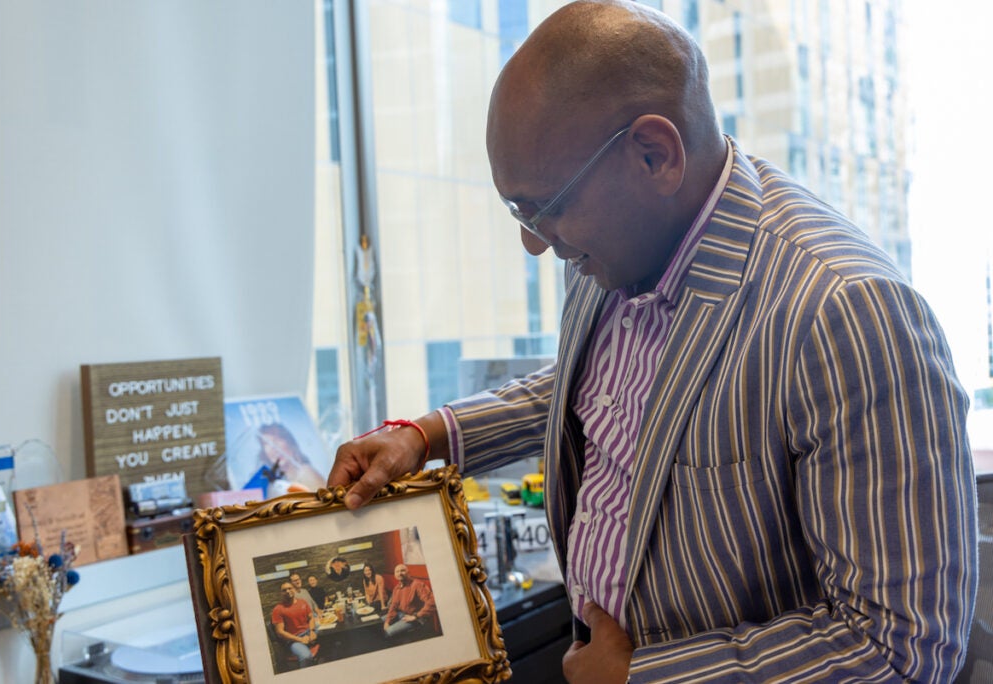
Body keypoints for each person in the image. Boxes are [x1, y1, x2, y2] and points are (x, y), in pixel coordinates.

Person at [329, 2, 978, 682]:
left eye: (545, 209)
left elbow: (901, 645)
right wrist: (426, 436)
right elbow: (594, 385)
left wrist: (642, 675)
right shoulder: (619, 245)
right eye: (519, 212)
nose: (534, 244)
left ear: (654, 154)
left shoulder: (845, 312)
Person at [270, 581, 319, 667]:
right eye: (284, 590)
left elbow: (311, 618)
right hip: (293, 640)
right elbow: (280, 632)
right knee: (306, 656)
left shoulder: (302, 602)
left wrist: (312, 631)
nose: (288, 591)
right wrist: (300, 639)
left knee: (331, 637)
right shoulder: (278, 609)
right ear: (280, 593)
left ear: (294, 589)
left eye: (290, 588)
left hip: (308, 632)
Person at [382, 564, 437, 638]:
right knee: (379, 621)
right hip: (401, 614)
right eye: (397, 571)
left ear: (408, 572)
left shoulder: (417, 585)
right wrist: (387, 621)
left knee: (388, 631)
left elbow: (432, 601)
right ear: (395, 575)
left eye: (402, 570)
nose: (400, 573)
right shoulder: (396, 588)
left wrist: (416, 616)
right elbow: (393, 606)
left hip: (416, 618)